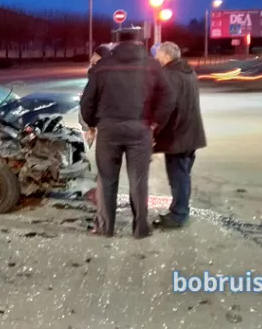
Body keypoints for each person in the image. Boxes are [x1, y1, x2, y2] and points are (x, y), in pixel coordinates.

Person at [80, 28, 175, 238]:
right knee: (139, 181)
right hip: (140, 129)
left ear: (116, 42)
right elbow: (168, 97)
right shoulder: (152, 65)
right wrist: (154, 123)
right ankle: (141, 228)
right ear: (139, 41)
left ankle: (105, 228)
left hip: (108, 130)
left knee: (106, 180)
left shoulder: (102, 66)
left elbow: (87, 101)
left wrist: (93, 122)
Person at [152, 42, 207, 229]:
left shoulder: (168, 75)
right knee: (183, 174)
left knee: (178, 176)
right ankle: (179, 209)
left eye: (158, 56)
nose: (157, 59)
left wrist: (154, 130)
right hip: (191, 132)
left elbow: (165, 108)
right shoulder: (189, 72)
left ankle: (178, 215)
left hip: (177, 134)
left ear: (167, 56)